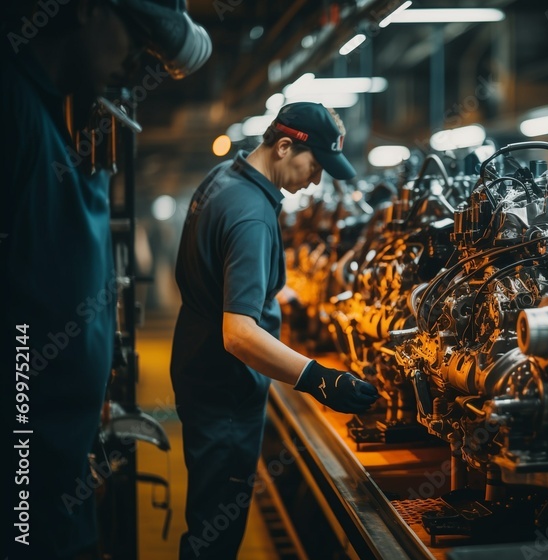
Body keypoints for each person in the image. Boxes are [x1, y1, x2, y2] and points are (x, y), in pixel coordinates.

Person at [1, 1, 209, 558]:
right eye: (136, 37)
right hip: (24, 488)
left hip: (57, 468)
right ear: (89, 8)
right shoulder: (12, 109)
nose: (137, 63)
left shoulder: (52, 117)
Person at [171, 102, 379, 559]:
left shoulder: (224, 178)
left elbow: (211, 274)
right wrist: (321, 380)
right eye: (315, 165)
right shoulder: (251, 215)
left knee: (208, 519)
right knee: (214, 539)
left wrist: (273, 294)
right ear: (285, 147)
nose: (316, 179)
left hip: (198, 369)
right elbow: (240, 335)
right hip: (225, 390)